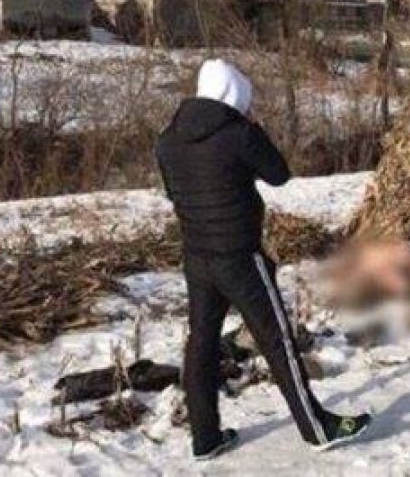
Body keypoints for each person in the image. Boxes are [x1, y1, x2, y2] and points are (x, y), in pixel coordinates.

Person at [156, 59, 372, 461]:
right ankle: (317, 427)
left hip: (197, 257)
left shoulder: (167, 140)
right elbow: (278, 173)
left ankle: (205, 438)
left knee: (201, 343)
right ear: (235, 96)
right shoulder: (239, 134)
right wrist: (253, 130)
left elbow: (173, 193)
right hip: (240, 257)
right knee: (277, 340)